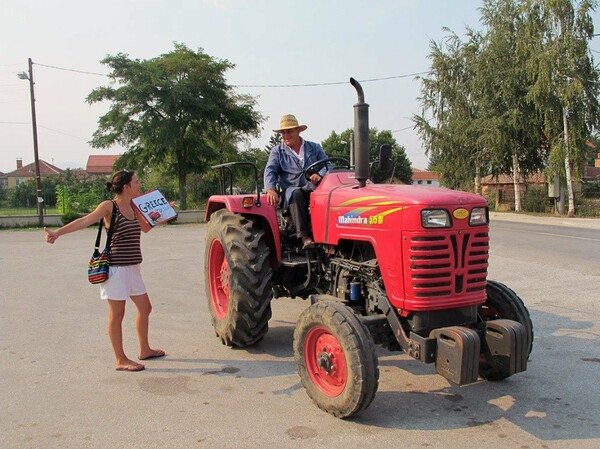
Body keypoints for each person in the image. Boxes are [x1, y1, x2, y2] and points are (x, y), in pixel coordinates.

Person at [44, 170, 164, 372]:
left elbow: (145, 228)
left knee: (145, 308)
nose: (139, 184)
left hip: (133, 267)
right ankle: (120, 359)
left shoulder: (134, 206)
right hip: (116, 269)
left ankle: (144, 349)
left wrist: (162, 214)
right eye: (137, 182)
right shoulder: (110, 206)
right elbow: (85, 221)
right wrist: (58, 233)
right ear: (126, 186)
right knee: (117, 314)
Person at [264, 114, 330, 249]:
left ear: (298, 131)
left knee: (332, 196)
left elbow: (328, 166)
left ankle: (330, 238)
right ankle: (304, 237)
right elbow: (270, 170)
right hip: (292, 191)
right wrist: (270, 188)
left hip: (313, 189)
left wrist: (320, 175)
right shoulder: (278, 152)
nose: (286, 135)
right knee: (297, 194)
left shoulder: (314, 147)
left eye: (290, 131)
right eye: (283, 132)